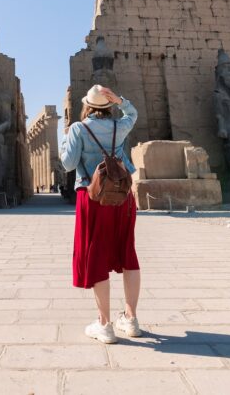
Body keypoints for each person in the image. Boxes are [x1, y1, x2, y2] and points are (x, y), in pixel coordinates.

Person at [60, 84, 141, 344]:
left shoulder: (79, 129)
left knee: (95, 254)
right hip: (123, 196)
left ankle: (104, 324)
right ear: (108, 106)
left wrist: (66, 140)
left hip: (93, 196)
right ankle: (131, 318)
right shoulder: (120, 125)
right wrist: (121, 100)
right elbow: (133, 115)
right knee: (127, 252)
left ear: (88, 106)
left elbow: (68, 163)